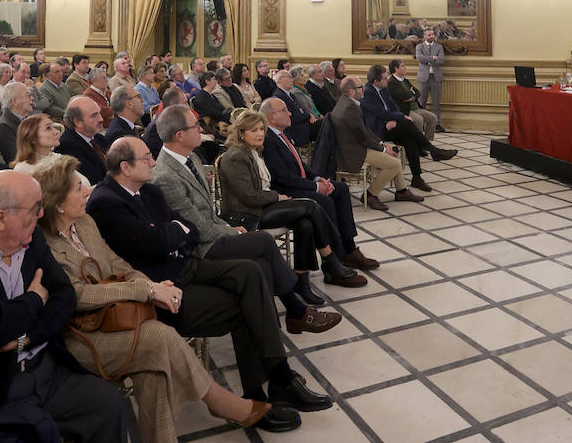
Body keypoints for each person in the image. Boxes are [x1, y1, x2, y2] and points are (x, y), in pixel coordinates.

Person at [36, 155, 286, 439]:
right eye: (78, 187)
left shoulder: (84, 223)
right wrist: (149, 289)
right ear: (57, 203)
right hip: (82, 333)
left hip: (118, 313)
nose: (87, 191)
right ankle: (223, 403)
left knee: (153, 369)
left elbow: (117, 263)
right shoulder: (46, 244)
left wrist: (148, 285)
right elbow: (78, 294)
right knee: (159, 336)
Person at [87, 136, 325, 422]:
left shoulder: (147, 191)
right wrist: (169, 235)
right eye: (146, 157)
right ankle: (266, 388)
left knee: (252, 271)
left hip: (184, 267)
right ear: (125, 167)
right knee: (245, 303)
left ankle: (276, 380)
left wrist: (168, 235)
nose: (153, 161)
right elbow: (150, 243)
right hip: (162, 291)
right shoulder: (105, 202)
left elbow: (187, 230)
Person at [0, 171, 138, 440]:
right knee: (36, 433)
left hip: (46, 370)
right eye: (34, 208)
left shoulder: (30, 239)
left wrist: (27, 338)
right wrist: (33, 300)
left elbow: (64, 296)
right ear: (0, 219)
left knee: (109, 404)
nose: (42, 214)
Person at [150, 105, 339, 334]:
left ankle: (292, 311)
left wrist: (229, 228)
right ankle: (301, 305)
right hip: (202, 247)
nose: (201, 129)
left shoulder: (193, 159)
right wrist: (235, 232)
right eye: (195, 126)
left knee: (270, 252)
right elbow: (198, 228)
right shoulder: (166, 175)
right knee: (265, 240)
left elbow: (210, 213)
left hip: (220, 228)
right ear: (179, 135)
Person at [217, 110, 367, 297]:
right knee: (311, 206)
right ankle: (331, 259)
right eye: (253, 130)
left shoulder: (254, 152)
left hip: (263, 206)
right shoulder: (235, 156)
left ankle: (301, 280)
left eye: (262, 129)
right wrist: (278, 197)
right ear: (241, 133)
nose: (260, 134)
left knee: (305, 222)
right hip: (247, 215)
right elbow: (249, 197)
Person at [361, 64, 454, 193]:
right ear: (375, 81)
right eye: (384, 78)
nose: (387, 79)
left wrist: (395, 117)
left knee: (410, 140)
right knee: (408, 124)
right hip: (378, 131)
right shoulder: (368, 92)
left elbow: (394, 108)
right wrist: (399, 117)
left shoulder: (383, 88)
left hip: (390, 125)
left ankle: (417, 178)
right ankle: (433, 150)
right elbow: (382, 113)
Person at [329, 76, 414, 210]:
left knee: (394, 152)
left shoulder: (347, 102)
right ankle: (370, 194)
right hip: (353, 152)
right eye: (360, 87)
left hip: (356, 145)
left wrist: (381, 143)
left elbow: (365, 130)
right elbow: (363, 137)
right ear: (352, 92)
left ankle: (401, 191)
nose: (363, 89)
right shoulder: (350, 109)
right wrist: (383, 149)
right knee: (393, 164)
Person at [59, 96, 108, 184]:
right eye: (94, 116)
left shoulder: (97, 137)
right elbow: (94, 179)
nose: (101, 119)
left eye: (99, 113)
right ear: (78, 122)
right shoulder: (68, 146)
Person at [387, 59, 438, 142]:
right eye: (402, 66)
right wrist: (411, 94)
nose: (405, 68)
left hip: (415, 107)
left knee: (433, 118)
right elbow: (404, 96)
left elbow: (417, 92)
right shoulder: (392, 82)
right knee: (419, 120)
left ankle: (428, 142)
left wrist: (411, 95)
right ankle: (420, 144)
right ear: (396, 69)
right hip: (405, 110)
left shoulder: (405, 80)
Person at [0, 80, 34, 164]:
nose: (32, 98)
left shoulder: (26, 120)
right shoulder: (3, 127)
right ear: (15, 101)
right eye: (28, 95)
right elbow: (16, 159)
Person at [415, 28, 446, 130]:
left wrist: (426, 59)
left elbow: (441, 60)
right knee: (421, 101)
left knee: (436, 102)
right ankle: (421, 124)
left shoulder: (439, 47)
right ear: (424, 36)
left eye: (432, 34)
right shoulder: (420, 46)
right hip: (423, 78)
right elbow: (419, 58)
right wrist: (433, 58)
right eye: (429, 35)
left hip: (436, 77)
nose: (431, 36)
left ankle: (436, 124)